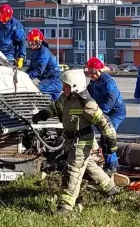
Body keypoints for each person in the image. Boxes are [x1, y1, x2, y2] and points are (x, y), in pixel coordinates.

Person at [32, 69, 119, 215]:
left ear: (75, 86)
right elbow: (55, 107)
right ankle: (111, 188)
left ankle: (66, 206)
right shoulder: (65, 98)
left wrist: (111, 141)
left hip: (82, 141)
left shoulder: (87, 104)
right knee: (89, 166)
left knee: (73, 170)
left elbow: (104, 122)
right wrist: (42, 114)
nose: (62, 88)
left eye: (65, 85)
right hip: (71, 140)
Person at [85, 57, 126, 173]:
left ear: (99, 70)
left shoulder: (108, 82)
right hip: (103, 112)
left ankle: (112, 166)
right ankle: (110, 163)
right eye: (88, 71)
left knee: (107, 136)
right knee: (103, 136)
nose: (90, 75)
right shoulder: (93, 82)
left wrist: (101, 112)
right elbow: (88, 94)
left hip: (115, 112)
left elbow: (111, 99)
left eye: (92, 71)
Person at [25, 29, 62, 101]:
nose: (32, 45)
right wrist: (23, 75)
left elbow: (39, 71)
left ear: (39, 42)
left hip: (54, 81)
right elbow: (31, 68)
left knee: (35, 88)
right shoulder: (35, 53)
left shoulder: (44, 52)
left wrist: (28, 76)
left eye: (34, 43)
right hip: (46, 81)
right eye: (30, 43)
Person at [0, 4, 26, 68]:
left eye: (3, 20)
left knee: (6, 70)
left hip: (9, 53)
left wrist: (21, 57)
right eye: (0, 19)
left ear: (8, 17)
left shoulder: (16, 25)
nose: (1, 22)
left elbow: (22, 42)